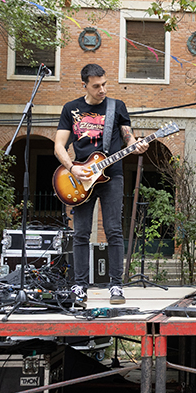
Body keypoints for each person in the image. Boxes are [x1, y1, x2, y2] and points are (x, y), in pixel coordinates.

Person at [55, 63, 147, 307]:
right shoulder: (70, 109)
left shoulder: (116, 107)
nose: (102, 90)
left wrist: (136, 145)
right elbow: (59, 145)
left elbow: (128, 137)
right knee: (81, 233)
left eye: (104, 84)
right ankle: (80, 285)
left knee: (114, 230)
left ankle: (116, 284)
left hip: (111, 175)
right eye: (96, 86)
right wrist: (73, 168)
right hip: (81, 178)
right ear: (84, 84)